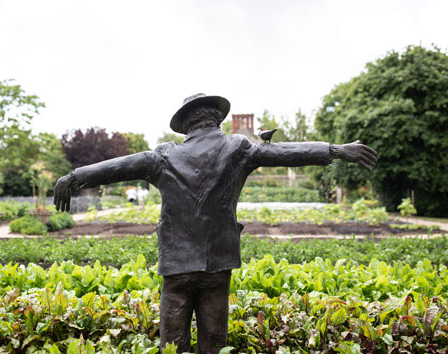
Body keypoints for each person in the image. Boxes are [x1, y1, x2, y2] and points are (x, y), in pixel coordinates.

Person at [54, 93, 377, 353]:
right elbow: (285, 152)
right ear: (217, 119)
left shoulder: (162, 157)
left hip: (177, 265)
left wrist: (72, 178)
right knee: (214, 342)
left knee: (172, 345)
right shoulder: (239, 148)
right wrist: (336, 150)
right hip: (218, 262)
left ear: (186, 125)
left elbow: (117, 167)